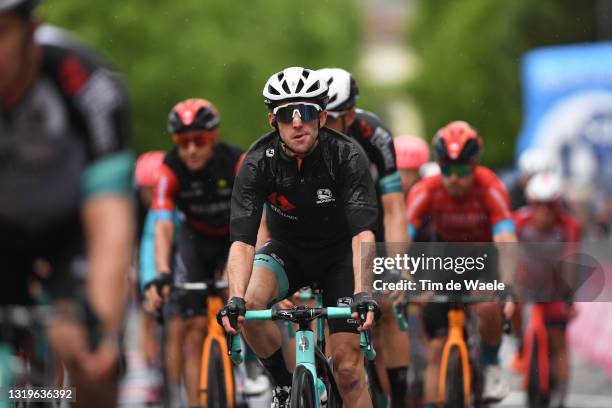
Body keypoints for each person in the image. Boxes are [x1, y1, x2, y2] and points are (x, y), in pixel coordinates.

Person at [218, 66, 380, 408]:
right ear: (272, 120)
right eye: (286, 114)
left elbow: (362, 233)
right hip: (286, 252)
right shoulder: (258, 161)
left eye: (305, 112)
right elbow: (243, 240)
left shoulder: (348, 156)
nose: (296, 122)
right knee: (249, 303)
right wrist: (234, 299)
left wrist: (364, 291)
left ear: (321, 116)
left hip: (340, 259)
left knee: (348, 371)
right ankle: (281, 384)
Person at [0, 1, 133, 406]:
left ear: (32, 31)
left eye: (1, 33)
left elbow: (110, 220)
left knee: (87, 362)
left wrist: (103, 328)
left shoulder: (85, 81)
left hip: (73, 225)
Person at [405, 121, 516, 406]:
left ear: (475, 165)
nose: (454, 179)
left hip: (483, 260)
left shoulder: (490, 185)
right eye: (446, 170)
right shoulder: (425, 189)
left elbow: (505, 239)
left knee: (488, 303)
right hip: (443, 262)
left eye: (463, 171)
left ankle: (490, 364)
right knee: (437, 348)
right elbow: (400, 240)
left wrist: (507, 285)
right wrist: (405, 279)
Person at [317, 67, 409, 407]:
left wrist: (400, 264)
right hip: (327, 228)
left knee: (388, 299)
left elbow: (395, 207)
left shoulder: (374, 134)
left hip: (372, 225)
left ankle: (397, 395)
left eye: (333, 116)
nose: (322, 124)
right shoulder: (305, 134)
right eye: (318, 114)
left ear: (352, 114)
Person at [144, 98, 243, 407]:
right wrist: (160, 273)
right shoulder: (169, 169)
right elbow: (162, 226)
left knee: (242, 305)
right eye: (182, 142)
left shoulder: (236, 161)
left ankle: (250, 369)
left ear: (212, 137)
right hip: (196, 243)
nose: (191, 150)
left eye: (199, 140)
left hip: (235, 239)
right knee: (193, 328)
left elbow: (261, 219)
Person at [513, 172, 580, 408]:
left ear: (557, 204)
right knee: (513, 311)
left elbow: (572, 263)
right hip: (526, 284)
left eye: (549, 205)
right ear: (530, 203)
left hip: (554, 287)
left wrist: (569, 300)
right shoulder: (519, 221)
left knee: (559, 339)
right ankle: (520, 343)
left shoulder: (569, 226)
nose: (543, 211)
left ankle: (561, 396)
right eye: (537, 205)